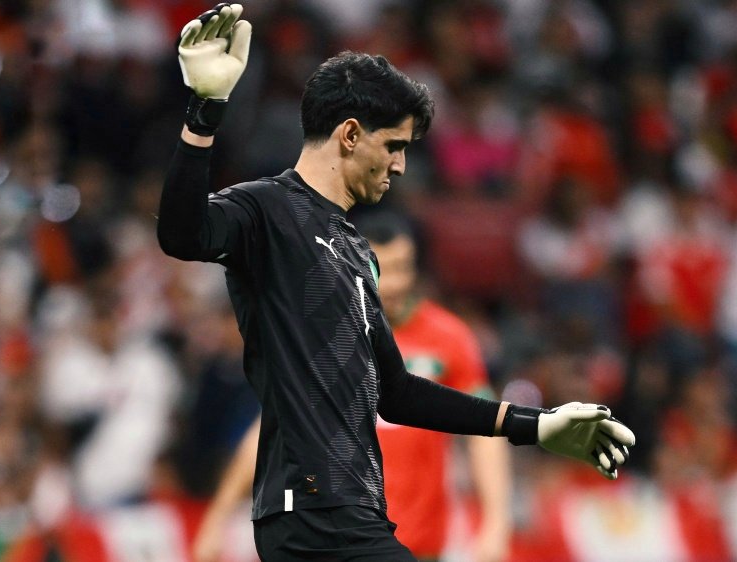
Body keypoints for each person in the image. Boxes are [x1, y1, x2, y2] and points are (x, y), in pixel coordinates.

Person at [158, 5, 635, 560]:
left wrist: (539, 425)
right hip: (313, 514)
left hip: (349, 517)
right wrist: (205, 110)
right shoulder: (266, 209)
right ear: (352, 134)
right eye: (395, 145)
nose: (403, 165)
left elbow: (396, 392)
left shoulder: (355, 249)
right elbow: (182, 234)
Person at [193, 212, 512, 562]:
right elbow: (274, 427)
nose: (393, 284)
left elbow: (486, 432)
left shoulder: (450, 339)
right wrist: (218, 515)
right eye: (381, 269)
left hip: (418, 542)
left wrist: (496, 523)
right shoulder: (321, 338)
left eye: (403, 268)